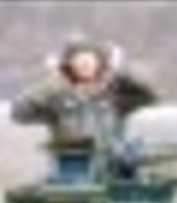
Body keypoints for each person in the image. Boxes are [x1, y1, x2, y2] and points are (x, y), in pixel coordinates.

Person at [11, 39, 157, 181]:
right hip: (70, 172)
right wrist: (52, 84)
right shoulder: (57, 98)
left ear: (100, 64)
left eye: (90, 60)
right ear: (69, 64)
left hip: (112, 171)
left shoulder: (114, 97)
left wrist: (119, 74)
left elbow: (150, 96)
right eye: (79, 60)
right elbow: (19, 113)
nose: (85, 64)